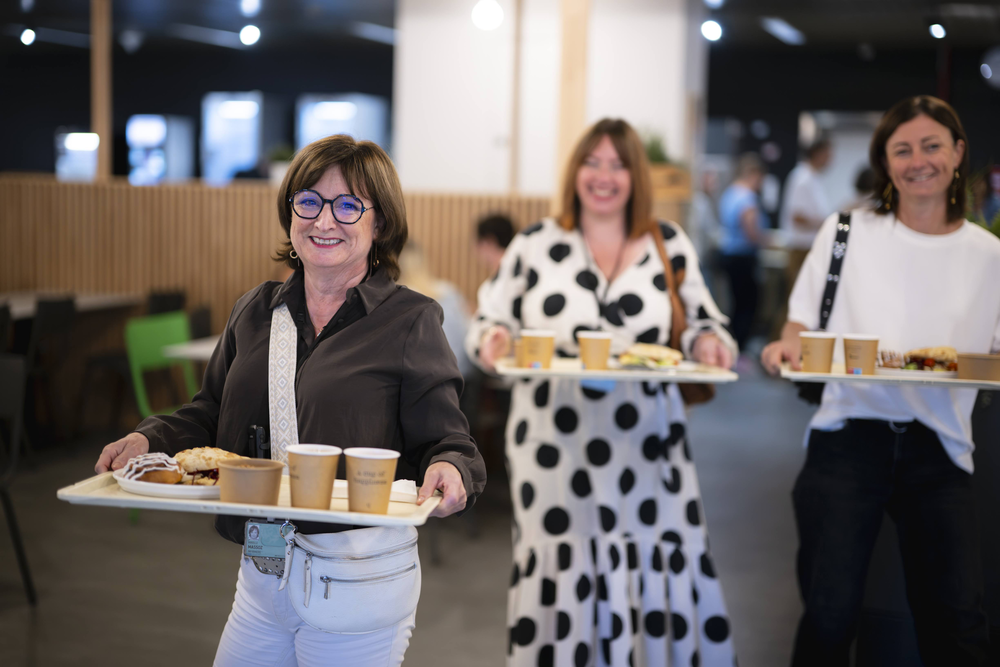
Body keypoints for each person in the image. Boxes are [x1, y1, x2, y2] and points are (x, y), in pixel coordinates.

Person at [95, 134, 487, 667]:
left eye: (349, 205)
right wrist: (149, 437)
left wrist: (451, 466)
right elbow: (208, 412)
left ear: (381, 224)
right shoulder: (255, 310)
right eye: (310, 200)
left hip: (357, 582)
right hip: (262, 575)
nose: (325, 221)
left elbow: (447, 438)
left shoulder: (410, 319)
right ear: (290, 212)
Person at [468, 118, 738, 666]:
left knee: (654, 566)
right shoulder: (537, 243)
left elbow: (707, 322)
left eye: (617, 164)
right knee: (560, 572)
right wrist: (495, 339)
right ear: (575, 172)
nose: (604, 176)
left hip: (649, 447)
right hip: (551, 446)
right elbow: (488, 320)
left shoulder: (668, 243)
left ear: (635, 176)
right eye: (593, 162)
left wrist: (711, 344)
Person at [762, 95, 998, 666]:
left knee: (957, 619)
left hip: (940, 444)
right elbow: (799, 322)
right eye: (902, 149)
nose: (919, 160)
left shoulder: (988, 254)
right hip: (848, 435)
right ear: (886, 162)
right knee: (829, 613)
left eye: (932, 145)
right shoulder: (846, 232)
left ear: (958, 152)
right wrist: (787, 344)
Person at [398, 241, 473, 378]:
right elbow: (468, 335)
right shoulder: (449, 290)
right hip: (463, 377)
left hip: (428, 382)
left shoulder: (401, 299)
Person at [718, 153, 767, 353]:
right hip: (743, 257)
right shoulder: (746, 197)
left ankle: (732, 347)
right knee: (747, 306)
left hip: (729, 255)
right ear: (753, 174)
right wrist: (765, 240)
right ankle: (739, 350)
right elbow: (750, 227)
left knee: (735, 304)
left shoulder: (729, 193)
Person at [779, 139, 833, 285]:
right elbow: (797, 217)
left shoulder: (813, 178)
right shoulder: (802, 178)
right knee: (798, 296)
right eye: (828, 154)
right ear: (817, 154)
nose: (831, 159)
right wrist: (827, 223)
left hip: (808, 246)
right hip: (800, 248)